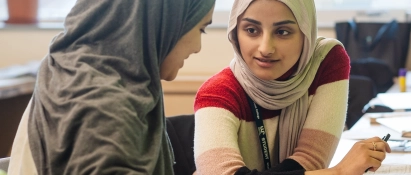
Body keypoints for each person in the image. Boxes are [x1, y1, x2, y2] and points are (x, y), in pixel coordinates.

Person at [7, 0, 215, 174]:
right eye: (201, 29)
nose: (197, 47)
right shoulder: (104, 107)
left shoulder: (67, 64)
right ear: (164, 20)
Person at [193, 0, 391, 174]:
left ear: (305, 34)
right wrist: (339, 172)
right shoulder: (217, 93)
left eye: (282, 32)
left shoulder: (325, 62)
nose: (265, 49)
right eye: (251, 30)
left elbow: (310, 162)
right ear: (235, 32)